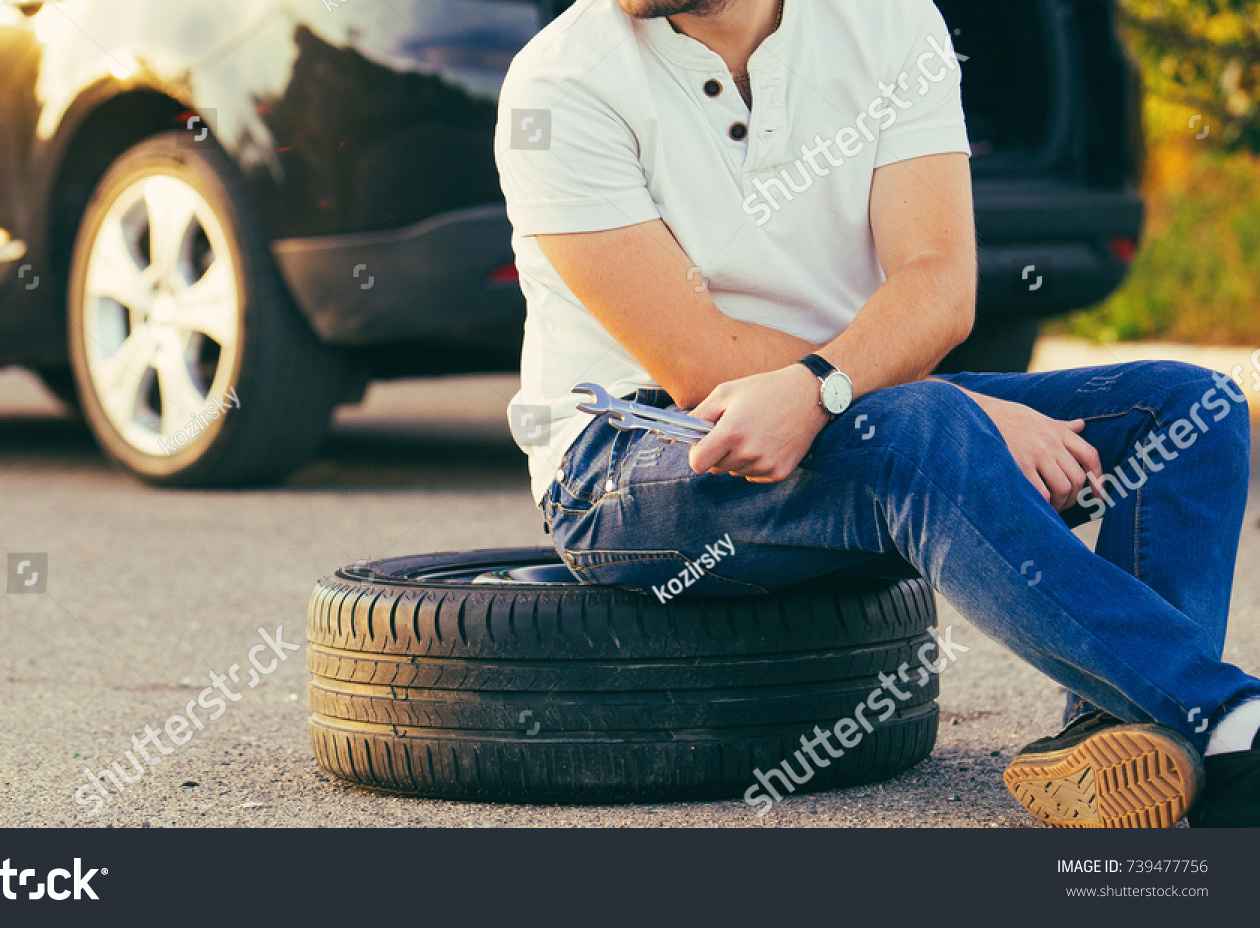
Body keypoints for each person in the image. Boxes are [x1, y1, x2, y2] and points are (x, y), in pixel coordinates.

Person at [494, 0, 1260, 826]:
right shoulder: (559, 83)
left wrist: (876, 392)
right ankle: (1224, 722)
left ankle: (1124, 734)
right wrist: (952, 404)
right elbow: (698, 359)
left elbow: (938, 279)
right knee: (923, 428)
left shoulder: (889, 22)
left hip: (865, 433)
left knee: (1190, 406)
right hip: (633, 459)